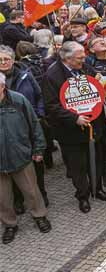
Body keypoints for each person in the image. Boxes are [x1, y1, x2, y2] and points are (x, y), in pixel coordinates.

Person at [42, 42, 106, 213]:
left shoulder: (84, 67)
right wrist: (75, 118)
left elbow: (96, 83)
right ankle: (83, 196)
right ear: (67, 58)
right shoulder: (52, 76)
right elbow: (51, 105)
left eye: (83, 56)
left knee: (95, 159)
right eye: (80, 57)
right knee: (77, 166)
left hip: (92, 125)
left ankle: (97, 189)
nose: (84, 59)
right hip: (70, 131)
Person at [0, 72, 51, 244]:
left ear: (2, 86)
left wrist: (38, 149)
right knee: (2, 197)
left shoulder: (18, 100)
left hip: (20, 154)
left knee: (31, 190)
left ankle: (40, 216)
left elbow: (34, 124)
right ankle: (9, 224)